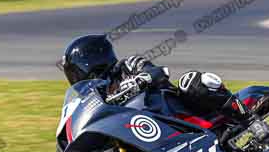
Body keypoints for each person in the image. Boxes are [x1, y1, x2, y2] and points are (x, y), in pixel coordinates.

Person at [58, 34, 249, 122]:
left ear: (90, 62)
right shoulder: (94, 97)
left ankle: (248, 119)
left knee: (191, 82)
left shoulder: (127, 65)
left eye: (75, 71)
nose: (74, 77)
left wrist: (140, 80)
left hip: (175, 111)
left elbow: (156, 72)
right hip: (144, 131)